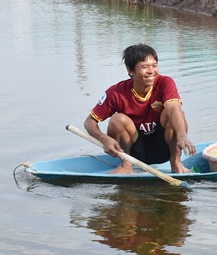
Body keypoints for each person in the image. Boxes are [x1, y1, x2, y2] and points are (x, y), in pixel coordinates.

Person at [84, 43, 196, 174]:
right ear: (130, 70)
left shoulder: (165, 83)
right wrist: (104, 139)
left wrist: (182, 137)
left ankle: (176, 162)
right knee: (117, 119)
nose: (151, 71)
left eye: (154, 65)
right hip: (134, 152)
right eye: (144, 67)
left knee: (175, 113)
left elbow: (174, 109)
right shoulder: (116, 92)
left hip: (164, 148)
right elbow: (89, 122)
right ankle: (126, 165)